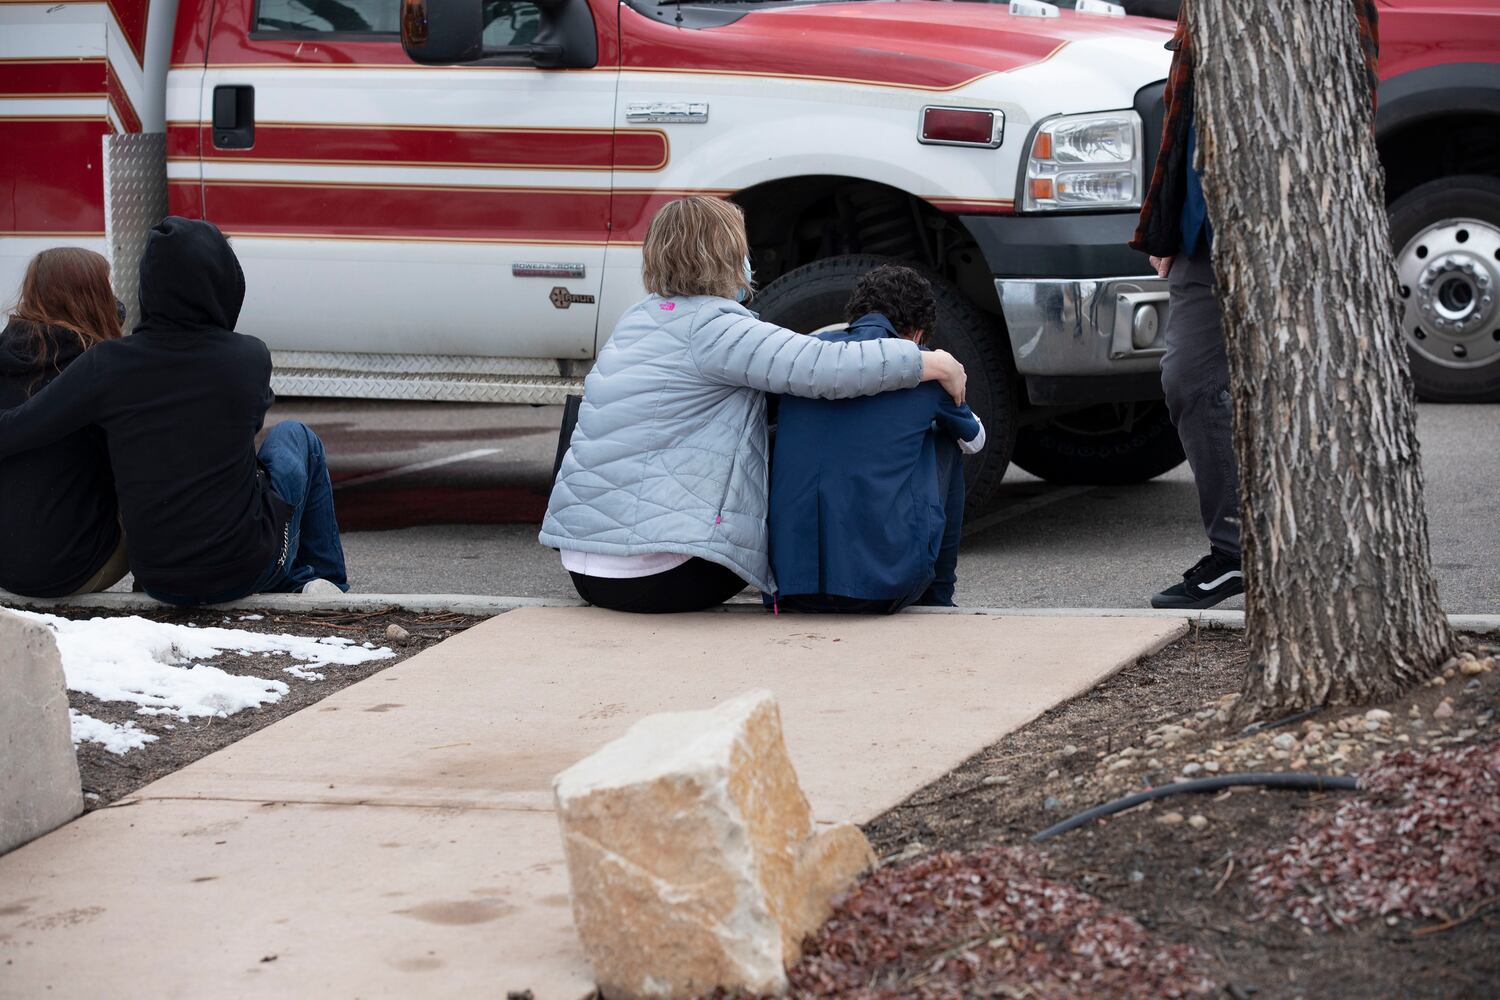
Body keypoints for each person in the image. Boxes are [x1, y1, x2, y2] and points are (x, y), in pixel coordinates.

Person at [540, 196, 968, 614]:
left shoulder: (637, 319)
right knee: (817, 429)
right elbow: (825, 366)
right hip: (661, 574)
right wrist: (929, 361)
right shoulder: (716, 328)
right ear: (725, 257)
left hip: (587, 566)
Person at [1130, 2, 1380, 609]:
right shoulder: (1202, 12)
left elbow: (1350, 102)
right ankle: (1235, 555)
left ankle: (1326, 553)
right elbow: (1181, 117)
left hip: (1291, 229)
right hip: (1202, 236)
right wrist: (1165, 226)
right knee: (1188, 378)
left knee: (1307, 389)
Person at [0, 217, 348, 605]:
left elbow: (17, 429)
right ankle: (330, 587)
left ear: (148, 285)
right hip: (241, 568)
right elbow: (249, 422)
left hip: (156, 576)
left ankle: (302, 579)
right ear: (224, 280)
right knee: (296, 438)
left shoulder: (108, 364)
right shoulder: (249, 357)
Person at [768, 265, 985, 613]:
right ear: (917, 335)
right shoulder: (924, 369)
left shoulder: (805, 358)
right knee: (945, 438)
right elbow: (975, 440)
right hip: (879, 590)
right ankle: (940, 597)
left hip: (789, 589)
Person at [0, 248, 130, 597]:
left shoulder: (4, 352)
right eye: (107, 287)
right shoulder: (98, 366)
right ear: (94, 295)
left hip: (5, 569)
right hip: (75, 569)